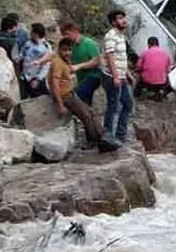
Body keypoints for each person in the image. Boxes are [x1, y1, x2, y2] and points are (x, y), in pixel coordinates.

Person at [49, 37, 102, 147]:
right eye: (64, 50)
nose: (68, 53)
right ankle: (92, 142)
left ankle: (101, 137)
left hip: (70, 93)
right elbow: (54, 84)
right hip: (65, 96)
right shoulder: (58, 63)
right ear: (59, 50)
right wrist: (60, 105)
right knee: (86, 115)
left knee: (91, 112)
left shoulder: (64, 61)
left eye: (69, 50)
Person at [101, 9, 135, 151]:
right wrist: (115, 76)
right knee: (114, 107)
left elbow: (121, 58)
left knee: (127, 104)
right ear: (113, 22)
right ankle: (108, 137)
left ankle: (120, 136)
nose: (123, 20)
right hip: (111, 77)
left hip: (121, 76)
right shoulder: (111, 36)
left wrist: (127, 73)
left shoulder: (121, 36)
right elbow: (110, 57)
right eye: (120, 18)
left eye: (123, 18)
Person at [61, 21, 104, 106]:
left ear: (75, 31)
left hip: (94, 76)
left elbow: (97, 61)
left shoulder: (89, 43)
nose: (66, 37)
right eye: (64, 35)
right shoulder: (71, 46)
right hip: (81, 79)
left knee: (78, 94)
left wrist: (79, 66)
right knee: (85, 102)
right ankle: (88, 113)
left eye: (67, 34)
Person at [20, 23, 53, 97]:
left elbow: (46, 66)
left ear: (36, 34)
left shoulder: (45, 47)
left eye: (32, 32)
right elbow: (23, 55)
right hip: (25, 77)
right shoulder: (28, 43)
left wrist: (38, 79)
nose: (30, 33)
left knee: (42, 98)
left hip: (35, 78)